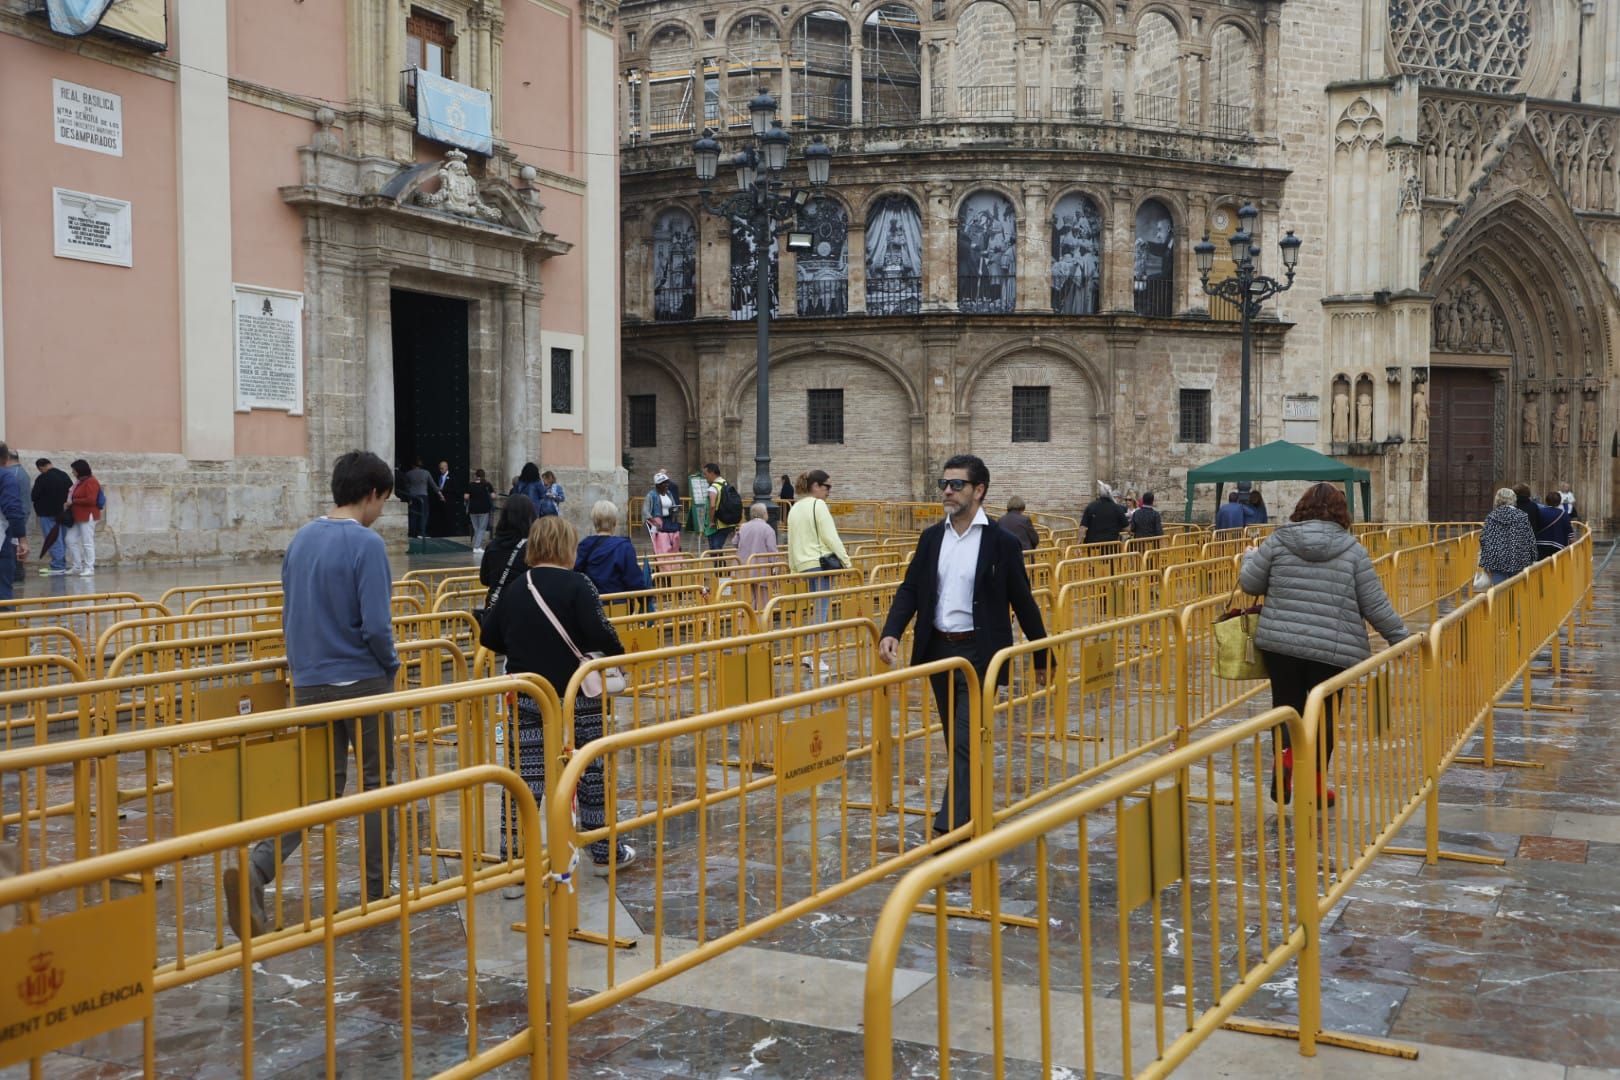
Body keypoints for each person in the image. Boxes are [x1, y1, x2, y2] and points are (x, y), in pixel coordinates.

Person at [226, 451, 401, 938]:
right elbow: (376, 625)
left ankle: (258, 868)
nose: (382, 510)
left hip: (310, 682)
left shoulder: (301, 540)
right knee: (377, 786)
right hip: (362, 680)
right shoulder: (366, 545)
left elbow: (289, 611)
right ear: (371, 494)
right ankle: (375, 891)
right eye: (383, 500)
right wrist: (391, 664)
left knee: (315, 788)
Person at [879, 455, 1049, 839]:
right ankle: (971, 809)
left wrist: (1041, 654)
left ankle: (949, 829)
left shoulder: (1001, 543)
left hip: (980, 653)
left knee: (966, 740)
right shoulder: (931, 537)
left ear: (979, 491)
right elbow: (910, 589)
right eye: (945, 484)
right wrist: (891, 630)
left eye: (957, 485)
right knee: (957, 739)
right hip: (939, 649)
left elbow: (1023, 600)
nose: (948, 491)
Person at [480, 516, 635, 874]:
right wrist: (619, 658)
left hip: (528, 693)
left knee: (523, 779)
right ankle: (603, 851)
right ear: (568, 545)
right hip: (576, 695)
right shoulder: (579, 584)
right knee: (590, 770)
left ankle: (515, 864)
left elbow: (489, 636)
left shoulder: (518, 586)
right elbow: (602, 633)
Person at [1238, 483, 1408, 808]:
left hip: (1282, 643)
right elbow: (1374, 603)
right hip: (1332, 648)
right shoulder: (1352, 549)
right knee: (1325, 715)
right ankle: (1315, 785)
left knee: (1286, 708)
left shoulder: (1278, 540)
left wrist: (1249, 560)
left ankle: (1284, 760)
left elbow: (1250, 584)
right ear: (1342, 512)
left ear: (1301, 508)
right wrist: (1400, 638)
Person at [787, 469, 851, 631]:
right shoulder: (819, 505)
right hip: (821, 564)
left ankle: (809, 653)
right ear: (815, 486)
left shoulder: (794, 508)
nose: (829, 491)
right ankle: (811, 654)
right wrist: (847, 562)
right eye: (827, 487)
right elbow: (831, 538)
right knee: (821, 612)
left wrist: (793, 570)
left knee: (816, 609)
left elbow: (792, 541)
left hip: (804, 566)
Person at [575, 500, 648, 596]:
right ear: (614, 522)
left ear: (594, 521)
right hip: (617, 604)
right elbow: (633, 580)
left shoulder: (584, 545)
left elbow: (576, 573)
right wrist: (646, 599)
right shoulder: (623, 547)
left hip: (590, 605)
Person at [481, 494, 539, 611]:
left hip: (495, 610)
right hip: (522, 609)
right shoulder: (533, 548)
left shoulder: (492, 546)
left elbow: (485, 579)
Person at [1479, 487, 1538, 586]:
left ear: (1497, 499)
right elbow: (1530, 538)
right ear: (1513, 499)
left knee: (1500, 591)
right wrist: (1533, 557)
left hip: (1496, 560)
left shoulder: (1492, 516)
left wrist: (1485, 560)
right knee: (1515, 590)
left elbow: (1484, 539)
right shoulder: (1522, 516)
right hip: (1519, 557)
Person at [735, 503, 779, 609]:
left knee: (746, 599)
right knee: (762, 599)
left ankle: (744, 623)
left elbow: (735, 542)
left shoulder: (743, 527)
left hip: (744, 567)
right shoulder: (767, 529)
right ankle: (760, 623)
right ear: (764, 514)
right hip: (761, 568)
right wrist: (775, 566)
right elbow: (772, 549)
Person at [31, 458, 69, 576]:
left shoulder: (42, 478)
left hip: (47, 513)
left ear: (41, 467)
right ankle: (61, 564)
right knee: (62, 539)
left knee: (52, 539)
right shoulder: (64, 476)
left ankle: (57, 566)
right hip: (63, 513)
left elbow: (34, 496)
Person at [64, 459, 101, 577]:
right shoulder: (79, 482)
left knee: (87, 542)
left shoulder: (91, 481)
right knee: (70, 539)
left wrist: (73, 501)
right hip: (78, 516)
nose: (73, 473)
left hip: (88, 515)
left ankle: (89, 568)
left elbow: (91, 499)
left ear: (79, 470)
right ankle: (77, 566)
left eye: (74, 470)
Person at [0, 444, 26, 601]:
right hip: (2, 539)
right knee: (3, 590)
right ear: (6, 458)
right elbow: (13, 508)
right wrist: (22, 539)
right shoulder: (5, 476)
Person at [643, 471, 684, 569]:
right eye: (664, 483)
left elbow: (673, 506)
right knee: (662, 545)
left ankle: (674, 566)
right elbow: (645, 512)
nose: (667, 485)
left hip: (669, 521)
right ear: (658, 485)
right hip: (658, 522)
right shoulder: (651, 495)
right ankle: (662, 568)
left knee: (675, 541)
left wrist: (676, 509)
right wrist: (654, 522)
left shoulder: (669, 493)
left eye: (667, 482)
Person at [5, 452, 29, 585]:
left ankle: (17, 573)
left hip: (14, 517)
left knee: (14, 546)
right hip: (19, 515)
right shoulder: (20, 472)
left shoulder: (12, 474)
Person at [702, 463, 735, 551]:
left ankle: (718, 564)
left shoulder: (713, 488)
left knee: (715, 549)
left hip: (716, 525)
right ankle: (720, 564)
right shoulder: (725, 483)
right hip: (727, 522)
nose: (705, 477)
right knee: (718, 548)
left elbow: (712, 506)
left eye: (706, 474)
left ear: (712, 473)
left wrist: (711, 521)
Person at [1535, 490, 1573, 561]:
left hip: (1540, 544)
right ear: (1559, 502)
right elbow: (1570, 533)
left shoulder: (1539, 512)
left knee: (1541, 567)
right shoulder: (1563, 514)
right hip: (1557, 545)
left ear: (1546, 500)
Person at [465, 468, 495, 555]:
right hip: (484, 509)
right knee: (481, 529)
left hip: (473, 509)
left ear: (476, 476)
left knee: (476, 528)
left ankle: (477, 546)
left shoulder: (471, 485)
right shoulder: (487, 484)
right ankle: (477, 547)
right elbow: (493, 496)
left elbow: (466, 497)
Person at [403, 459, 433, 539]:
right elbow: (432, 484)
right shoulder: (426, 473)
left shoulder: (408, 473)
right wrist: (440, 493)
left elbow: (406, 486)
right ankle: (421, 533)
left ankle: (412, 533)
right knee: (424, 515)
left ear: (413, 465)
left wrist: (409, 497)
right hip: (423, 496)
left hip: (413, 496)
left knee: (413, 515)